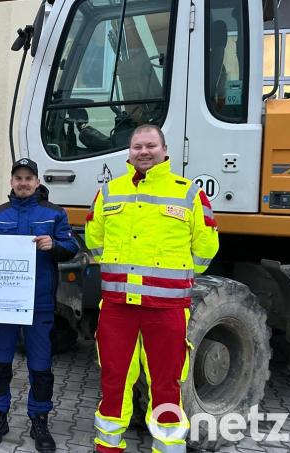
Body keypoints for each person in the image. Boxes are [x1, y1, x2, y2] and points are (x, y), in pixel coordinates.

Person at [85, 125, 219, 453]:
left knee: (166, 384)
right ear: (129, 152)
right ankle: (107, 445)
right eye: (137, 147)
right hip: (117, 306)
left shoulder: (188, 193)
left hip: (166, 308)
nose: (143, 152)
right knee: (113, 380)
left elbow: (206, 248)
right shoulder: (109, 192)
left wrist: (172, 278)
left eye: (150, 146)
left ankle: (168, 446)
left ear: (164, 150)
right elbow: (94, 239)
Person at [0, 158, 79, 453]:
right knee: (0, 361)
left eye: (28, 178)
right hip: (3, 304)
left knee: (40, 365)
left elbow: (72, 247)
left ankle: (39, 420)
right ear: (11, 182)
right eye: (18, 178)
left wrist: (55, 245)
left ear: (37, 182)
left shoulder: (54, 214)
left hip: (40, 305)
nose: (23, 183)